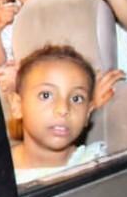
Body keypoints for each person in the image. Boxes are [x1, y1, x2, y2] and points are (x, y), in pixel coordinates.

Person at [9, 44, 106, 185]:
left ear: (87, 113)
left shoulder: (94, 164)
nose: (63, 109)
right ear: (17, 105)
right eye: (46, 95)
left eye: (76, 98)